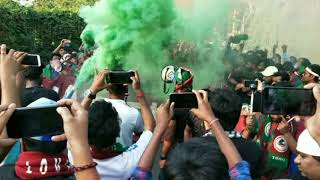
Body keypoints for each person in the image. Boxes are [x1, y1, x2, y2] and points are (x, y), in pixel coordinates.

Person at [71, 70, 156, 179]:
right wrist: (138, 90)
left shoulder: (75, 156)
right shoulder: (128, 162)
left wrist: (94, 89)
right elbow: (149, 127)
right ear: (117, 132)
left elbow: (75, 122)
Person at [164, 90, 252, 180]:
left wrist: (159, 128)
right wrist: (211, 119)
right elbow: (239, 168)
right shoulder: (252, 149)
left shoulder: (194, 149)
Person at [81, 69, 144, 148]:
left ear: (107, 87)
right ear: (126, 87)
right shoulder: (134, 113)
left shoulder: (94, 108)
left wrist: (93, 89)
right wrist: (138, 90)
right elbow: (144, 134)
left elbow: (77, 117)